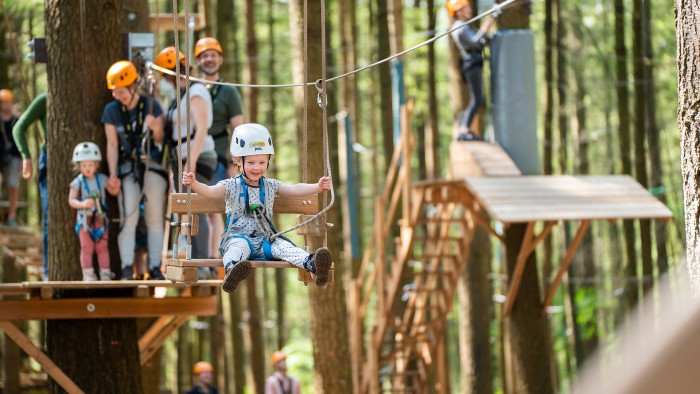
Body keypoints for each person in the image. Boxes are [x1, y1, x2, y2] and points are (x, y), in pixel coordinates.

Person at [182, 123, 333, 293]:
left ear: (268, 161)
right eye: (252, 162)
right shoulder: (231, 185)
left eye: (262, 162)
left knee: (283, 247)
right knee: (237, 248)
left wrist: (317, 187)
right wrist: (194, 183)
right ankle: (232, 270)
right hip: (239, 237)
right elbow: (209, 191)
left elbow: (294, 189)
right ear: (238, 161)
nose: (257, 167)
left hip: (265, 241)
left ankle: (312, 264)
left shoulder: (270, 185)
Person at [102, 60, 167, 280]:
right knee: (128, 217)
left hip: (152, 165)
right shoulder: (112, 111)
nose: (117, 96)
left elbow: (161, 138)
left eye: (120, 92)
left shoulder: (151, 106)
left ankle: (156, 267)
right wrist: (112, 174)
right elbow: (112, 144)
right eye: (114, 92)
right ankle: (127, 267)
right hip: (127, 168)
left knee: (154, 219)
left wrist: (155, 126)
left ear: (132, 86)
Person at [155, 46, 216, 264]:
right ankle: (195, 258)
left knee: (195, 208)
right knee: (187, 208)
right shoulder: (179, 95)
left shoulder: (196, 91)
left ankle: (202, 261)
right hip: (181, 158)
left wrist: (191, 161)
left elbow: (201, 129)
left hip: (197, 156)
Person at [195, 36, 244, 272]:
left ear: (220, 59)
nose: (209, 59)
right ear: (198, 61)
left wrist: (235, 163)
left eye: (213, 55)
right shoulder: (192, 88)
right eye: (205, 55)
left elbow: (238, 129)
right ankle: (198, 257)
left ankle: (212, 261)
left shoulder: (228, 92)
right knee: (193, 207)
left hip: (217, 157)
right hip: (192, 155)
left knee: (213, 210)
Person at [446, 0, 498, 141]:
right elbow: (475, 41)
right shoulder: (459, 27)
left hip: (473, 62)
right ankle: (463, 130)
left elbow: (478, 43)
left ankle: (464, 129)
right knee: (477, 99)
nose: (469, 10)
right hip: (471, 64)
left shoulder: (464, 26)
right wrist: (490, 20)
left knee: (477, 99)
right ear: (458, 11)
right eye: (466, 8)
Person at [68, 142, 120, 280]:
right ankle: (88, 274)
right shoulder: (77, 182)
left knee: (102, 247)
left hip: (100, 219)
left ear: (96, 165)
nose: (87, 168)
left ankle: (105, 273)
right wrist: (83, 203)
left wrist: (116, 185)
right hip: (84, 221)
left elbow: (112, 191)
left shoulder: (102, 179)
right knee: (86, 247)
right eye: (84, 165)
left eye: (90, 165)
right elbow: (71, 201)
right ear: (79, 166)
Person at [12, 92, 47, 278]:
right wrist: (26, 156)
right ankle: (49, 270)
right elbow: (19, 127)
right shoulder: (44, 100)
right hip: (49, 161)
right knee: (50, 218)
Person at [0, 89, 21, 226]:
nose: (6, 105)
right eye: (3, 102)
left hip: (14, 155)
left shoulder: (17, 119)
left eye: (8, 102)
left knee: (13, 184)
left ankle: (12, 216)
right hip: (0, 156)